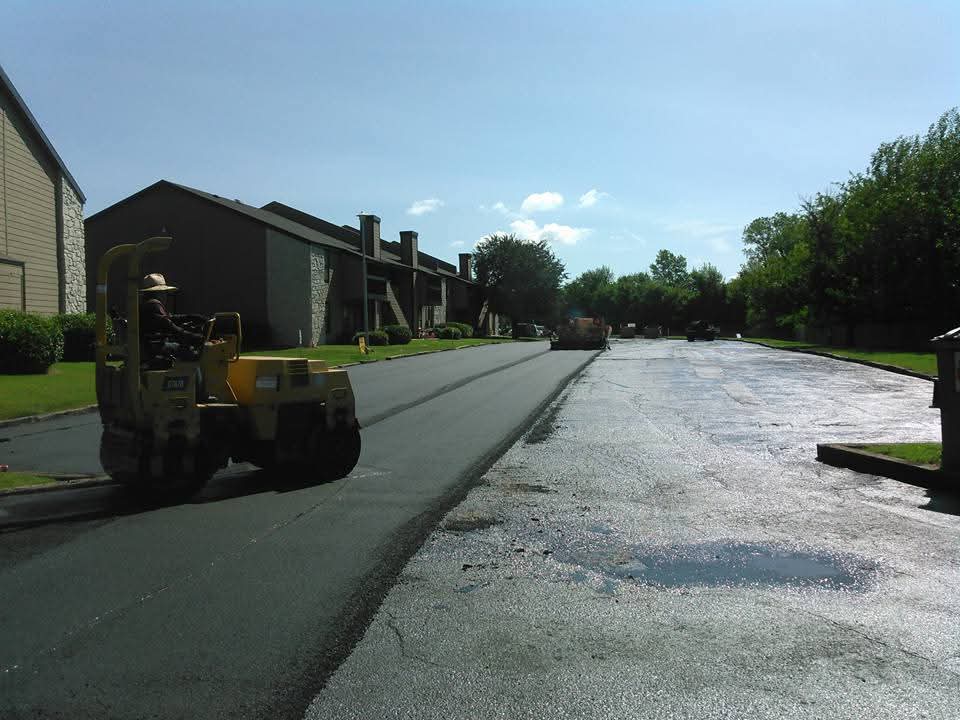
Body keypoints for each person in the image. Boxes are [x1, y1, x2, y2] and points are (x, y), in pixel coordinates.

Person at [139, 273, 204, 358]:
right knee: (191, 351)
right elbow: (171, 327)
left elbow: (170, 318)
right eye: (164, 292)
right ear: (157, 292)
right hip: (153, 348)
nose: (166, 295)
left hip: (150, 346)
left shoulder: (147, 303)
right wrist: (197, 338)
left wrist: (191, 317)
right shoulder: (153, 304)